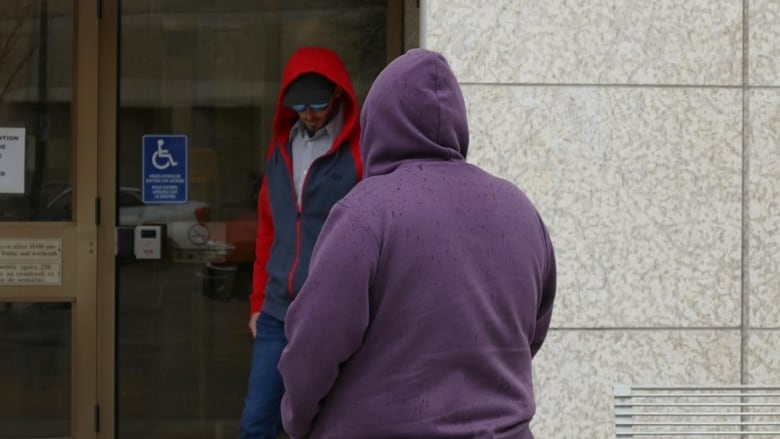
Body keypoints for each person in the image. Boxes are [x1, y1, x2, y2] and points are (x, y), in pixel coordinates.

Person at [278, 48, 557, 438]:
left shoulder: (366, 213)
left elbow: (315, 344)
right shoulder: (520, 209)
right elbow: (531, 331)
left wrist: (298, 418)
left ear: (378, 123)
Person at [239, 46, 362, 439]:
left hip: (334, 311)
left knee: (330, 425)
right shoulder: (280, 150)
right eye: (300, 105)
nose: (309, 113)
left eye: (318, 103)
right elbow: (267, 232)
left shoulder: (360, 153)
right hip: (277, 313)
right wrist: (258, 303)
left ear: (338, 95)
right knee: (257, 423)